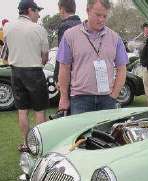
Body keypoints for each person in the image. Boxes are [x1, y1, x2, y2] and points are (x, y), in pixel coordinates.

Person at [57, 0, 128, 115]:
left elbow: (122, 68)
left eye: (105, 16)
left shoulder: (115, 38)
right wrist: (64, 98)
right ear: (88, 11)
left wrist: (114, 95)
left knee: (105, 133)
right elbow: (64, 68)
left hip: (107, 100)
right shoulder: (70, 35)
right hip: (80, 99)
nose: (101, 20)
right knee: (81, 134)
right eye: (98, 15)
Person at [4, 0, 49, 152]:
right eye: (37, 11)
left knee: (22, 111)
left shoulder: (7, 26)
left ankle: (25, 143)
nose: (38, 14)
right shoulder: (38, 28)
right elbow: (44, 57)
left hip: (16, 71)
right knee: (39, 110)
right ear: (30, 10)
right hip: (34, 71)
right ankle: (40, 145)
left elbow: (7, 51)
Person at [53, 0, 81, 83]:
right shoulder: (82, 25)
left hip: (69, 74)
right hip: (82, 74)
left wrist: (57, 77)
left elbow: (62, 55)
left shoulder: (64, 27)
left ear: (62, 9)